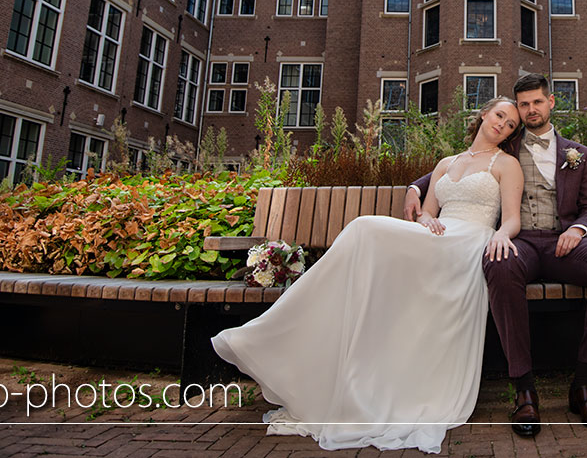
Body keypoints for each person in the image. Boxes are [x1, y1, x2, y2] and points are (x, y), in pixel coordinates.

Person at [212, 97, 524, 454]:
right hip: (436, 236)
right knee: (365, 237)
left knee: (365, 228)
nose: (503, 124)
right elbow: (426, 213)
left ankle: (295, 325)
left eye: (511, 124)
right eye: (500, 115)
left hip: (469, 241)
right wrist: (425, 217)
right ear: (484, 113)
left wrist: (502, 233)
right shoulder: (445, 163)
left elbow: (511, 217)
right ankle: (294, 334)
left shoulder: (507, 164)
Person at [406, 74, 587, 435]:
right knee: (499, 262)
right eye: (523, 105)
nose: (529, 110)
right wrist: (415, 188)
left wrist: (577, 230)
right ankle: (524, 389)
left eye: (536, 103)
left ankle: (585, 382)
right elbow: (462, 166)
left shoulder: (579, 155)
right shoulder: (506, 147)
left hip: (562, 243)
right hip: (520, 242)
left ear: (551, 102)